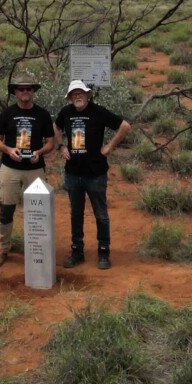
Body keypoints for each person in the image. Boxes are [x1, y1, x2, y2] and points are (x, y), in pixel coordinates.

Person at [54, 79, 131, 269]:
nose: (77, 96)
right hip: (73, 173)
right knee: (76, 213)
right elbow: (55, 127)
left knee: (101, 214)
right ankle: (77, 251)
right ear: (70, 97)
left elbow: (124, 126)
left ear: (87, 95)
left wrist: (109, 147)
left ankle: (104, 252)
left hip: (95, 173)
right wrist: (61, 146)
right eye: (74, 94)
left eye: (81, 93)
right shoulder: (66, 112)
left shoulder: (98, 111)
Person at [0, 74, 56, 267]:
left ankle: (38, 249)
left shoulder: (42, 114)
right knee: (6, 209)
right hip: (10, 168)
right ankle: (2, 249)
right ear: (15, 92)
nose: (25, 92)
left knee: (38, 210)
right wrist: (9, 150)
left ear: (33, 92)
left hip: (35, 168)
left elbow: (51, 142)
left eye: (28, 89)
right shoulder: (7, 113)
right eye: (21, 89)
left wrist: (40, 152)